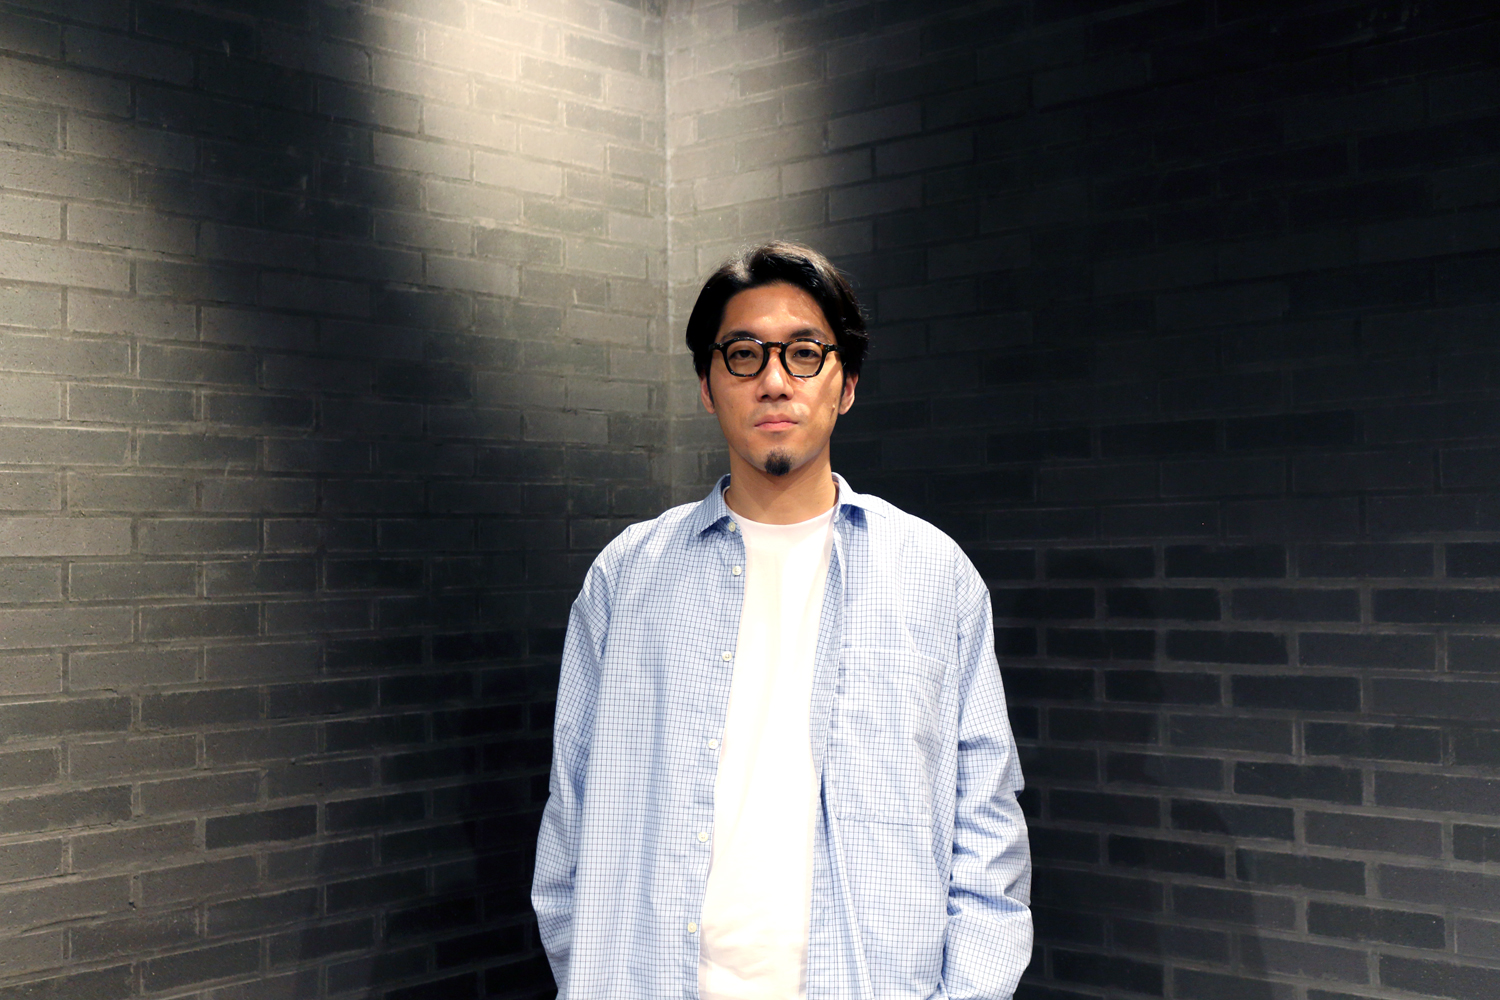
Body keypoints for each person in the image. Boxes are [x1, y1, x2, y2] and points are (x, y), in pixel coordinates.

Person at [532, 241, 1032, 1000]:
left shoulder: (934, 577)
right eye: (743, 355)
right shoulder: (625, 578)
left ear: (847, 384)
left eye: (804, 353)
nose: (773, 380)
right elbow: (569, 816)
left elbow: (987, 826)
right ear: (707, 385)